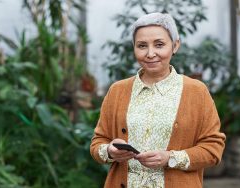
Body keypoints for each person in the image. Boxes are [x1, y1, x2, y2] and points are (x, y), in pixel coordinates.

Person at [90, 12, 226, 188]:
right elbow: (97, 142)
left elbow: (213, 149)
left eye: (159, 45)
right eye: (142, 46)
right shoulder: (117, 91)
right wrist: (109, 151)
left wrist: (170, 158)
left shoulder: (196, 92)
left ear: (175, 46)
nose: (150, 53)